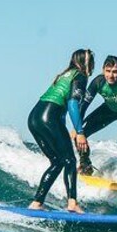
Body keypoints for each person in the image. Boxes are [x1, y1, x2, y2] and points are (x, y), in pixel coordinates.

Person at [27, 48, 94, 213]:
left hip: (34, 117)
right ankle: (72, 203)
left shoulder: (64, 75)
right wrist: (79, 132)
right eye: (91, 62)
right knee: (70, 160)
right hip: (50, 117)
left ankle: (37, 203)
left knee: (58, 161)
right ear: (85, 63)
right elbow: (72, 104)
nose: (92, 66)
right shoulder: (80, 76)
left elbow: (61, 109)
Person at [76, 55, 117, 185]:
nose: (111, 75)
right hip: (108, 111)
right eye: (108, 71)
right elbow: (83, 106)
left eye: (115, 72)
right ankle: (85, 165)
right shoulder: (98, 82)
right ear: (103, 70)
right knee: (80, 134)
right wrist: (77, 129)